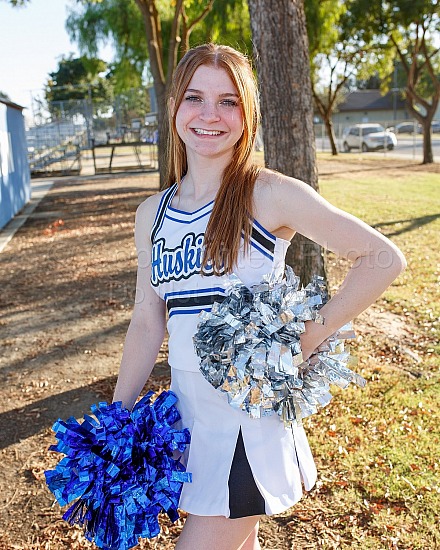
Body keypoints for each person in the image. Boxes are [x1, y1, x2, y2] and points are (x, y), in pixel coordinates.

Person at [112, 43, 406, 550]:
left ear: (247, 115)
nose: (209, 115)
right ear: (174, 106)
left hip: (248, 421)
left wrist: (306, 340)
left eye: (228, 101)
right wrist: (116, 420)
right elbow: (146, 320)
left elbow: (382, 258)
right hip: (190, 416)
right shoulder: (151, 214)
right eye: (195, 97)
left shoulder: (269, 194)